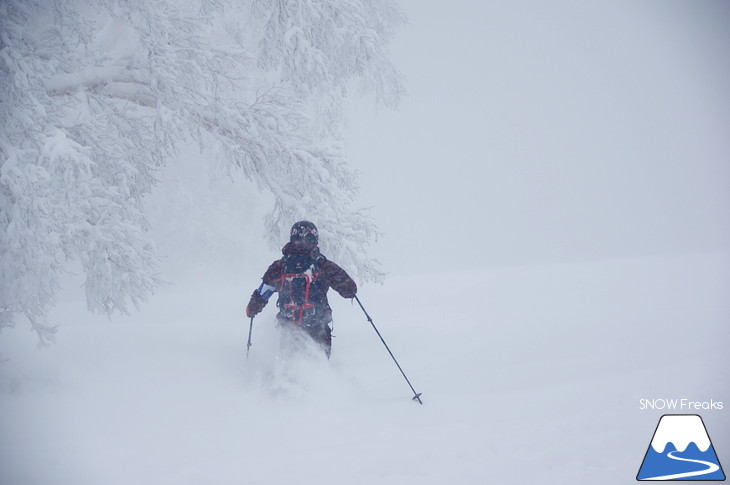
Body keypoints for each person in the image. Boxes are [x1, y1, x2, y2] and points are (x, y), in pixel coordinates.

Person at [246, 221, 357, 358]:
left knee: (287, 365)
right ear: (315, 240)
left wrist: (252, 309)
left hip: (288, 327)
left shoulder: (279, 267)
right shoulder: (323, 265)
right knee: (319, 367)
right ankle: (323, 378)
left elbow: (262, 294)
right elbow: (350, 289)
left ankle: (282, 378)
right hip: (318, 328)